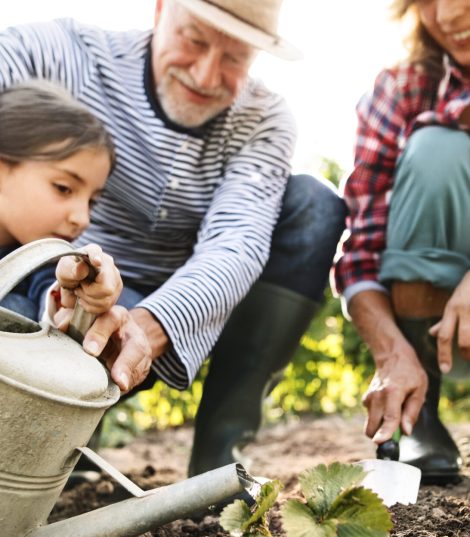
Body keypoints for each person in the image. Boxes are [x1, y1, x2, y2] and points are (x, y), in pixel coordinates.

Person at [0, 0, 346, 477]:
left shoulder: (264, 119)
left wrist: (140, 332)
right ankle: (63, 416)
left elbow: (236, 244)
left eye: (234, 57)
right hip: (56, 293)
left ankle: (220, 456)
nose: (206, 75)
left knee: (314, 204)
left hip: (166, 308)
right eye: (195, 40)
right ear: (161, 10)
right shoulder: (67, 55)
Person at [334, 0, 470, 484]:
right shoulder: (401, 86)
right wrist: (393, 354)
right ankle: (421, 406)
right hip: (447, 330)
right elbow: (361, 252)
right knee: (437, 150)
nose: (449, 15)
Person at [0, 81, 152, 393]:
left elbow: (49, 298)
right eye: (64, 188)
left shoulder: (38, 260)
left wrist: (73, 294)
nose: (82, 218)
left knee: (24, 318)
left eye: (91, 201)